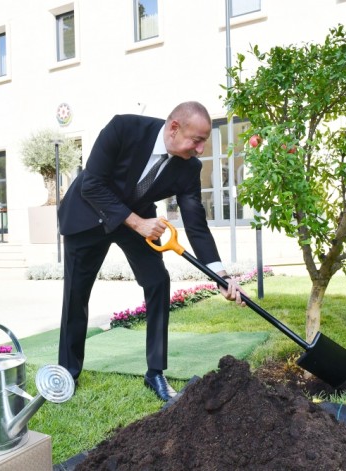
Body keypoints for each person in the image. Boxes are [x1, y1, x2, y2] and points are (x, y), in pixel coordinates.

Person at [57, 101, 246, 402]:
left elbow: (196, 225)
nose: (200, 150)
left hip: (138, 219)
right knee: (77, 295)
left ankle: (155, 372)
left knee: (158, 281)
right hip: (89, 215)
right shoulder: (124, 128)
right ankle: (66, 374)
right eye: (196, 141)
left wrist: (221, 276)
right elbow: (91, 184)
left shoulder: (189, 167)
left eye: (203, 143)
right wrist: (138, 223)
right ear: (173, 129)